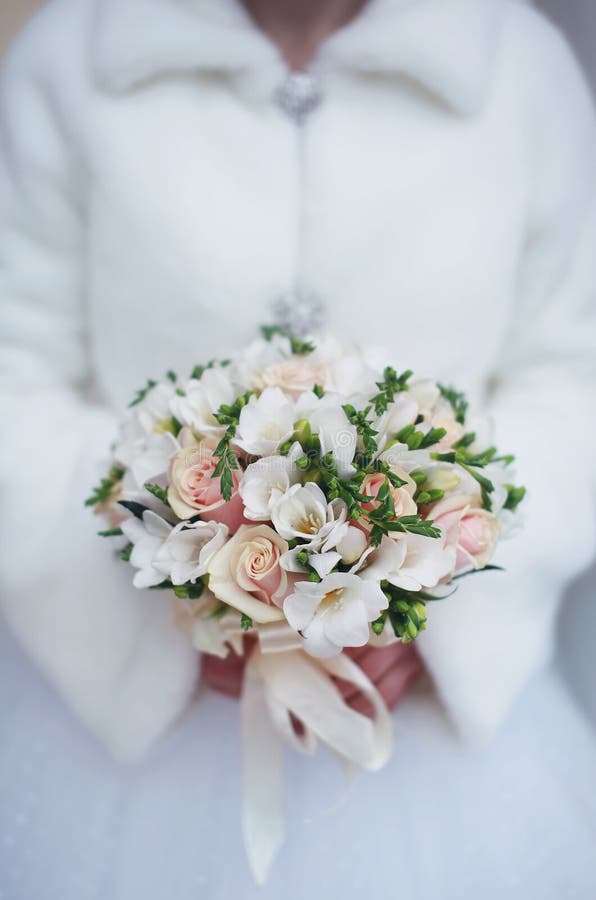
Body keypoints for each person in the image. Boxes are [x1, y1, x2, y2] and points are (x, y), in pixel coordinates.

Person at [0, 0, 595, 897]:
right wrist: (180, 593)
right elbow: (14, 371)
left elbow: (572, 376)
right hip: (121, 709)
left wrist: (428, 602)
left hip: (435, 735)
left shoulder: (522, 68)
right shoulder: (69, 53)